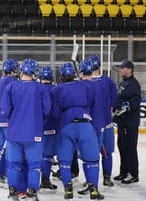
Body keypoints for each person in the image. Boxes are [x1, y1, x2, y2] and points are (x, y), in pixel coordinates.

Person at [52, 62, 104, 200]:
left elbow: (55, 112)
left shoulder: (57, 89)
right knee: (92, 160)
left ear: (62, 75)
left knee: (64, 161)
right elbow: (93, 103)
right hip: (85, 124)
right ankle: (93, 190)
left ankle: (68, 189)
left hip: (67, 125)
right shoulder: (85, 85)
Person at [1, 58, 51, 201]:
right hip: (34, 132)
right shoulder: (40, 88)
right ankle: (31, 193)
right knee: (34, 165)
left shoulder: (10, 87)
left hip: (14, 133)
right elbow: (47, 109)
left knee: (14, 165)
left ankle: (13, 191)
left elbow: (5, 110)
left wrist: (15, 119)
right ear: (34, 72)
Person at [88, 55, 117, 186]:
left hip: (93, 125)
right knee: (107, 153)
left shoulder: (86, 82)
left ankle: (92, 181)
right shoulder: (108, 81)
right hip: (106, 123)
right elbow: (114, 100)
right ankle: (106, 177)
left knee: (92, 154)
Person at [0, 58, 19, 187]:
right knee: (9, 149)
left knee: (1, 147)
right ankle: (8, 174)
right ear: (13, 70)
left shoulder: (0, 82)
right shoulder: (15, 82)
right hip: (9, 119)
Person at [113, 60, 141, 184]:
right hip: (122, 122)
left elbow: (135, 100)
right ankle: (124, 171)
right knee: (122, 147)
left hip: (130, 123)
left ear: (130, 69)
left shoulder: (134, 84)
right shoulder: (123, 83)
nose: (121, 70)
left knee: (130, 148)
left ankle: (133, 174)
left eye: (123, 68)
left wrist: (125, 107)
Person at [39, 66, 58, 192]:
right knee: (47, 155)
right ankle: (45, 180)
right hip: (51, 125)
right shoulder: (56, 90)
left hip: (37, 126)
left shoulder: (37, 88)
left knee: (37, 154)